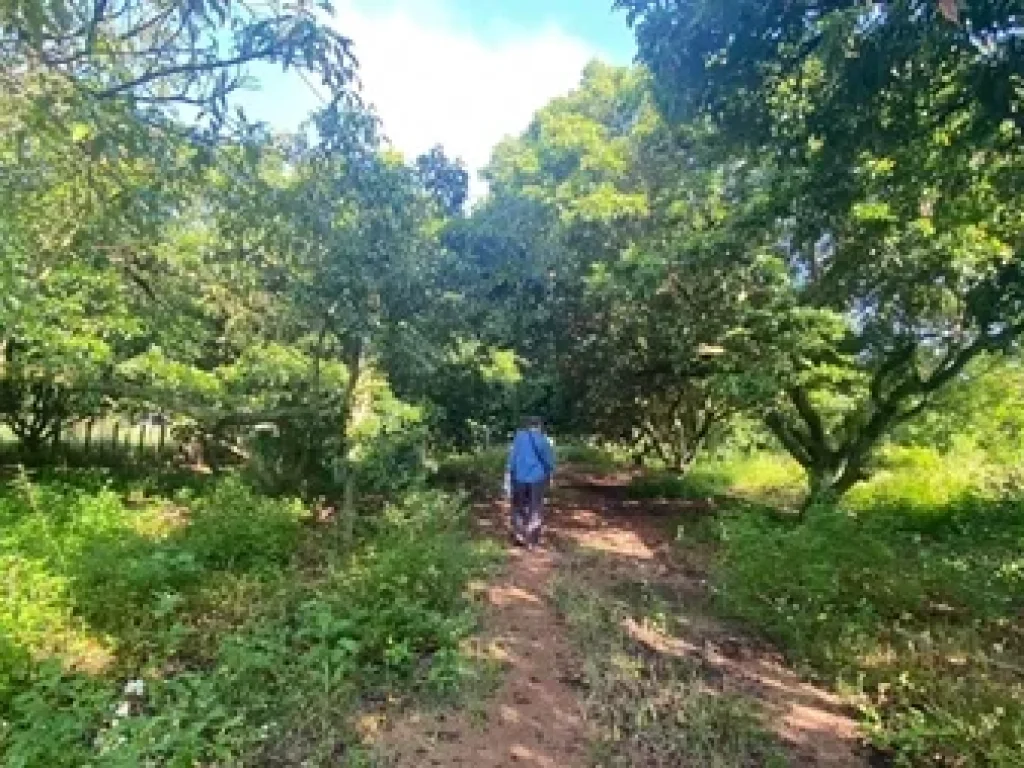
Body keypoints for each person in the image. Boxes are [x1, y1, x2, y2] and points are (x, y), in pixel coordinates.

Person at [504, 416, 556, 548]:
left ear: (527, 426)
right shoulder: (543, 439)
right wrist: (551, 474)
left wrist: (508, 473)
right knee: (535, 508)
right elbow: (548, 461)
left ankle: (519, 535)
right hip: (537, 478)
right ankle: (532, 540)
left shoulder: (519, 438)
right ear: (539, 426)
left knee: (518, 506)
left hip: (518, 477)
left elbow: (512, 457)